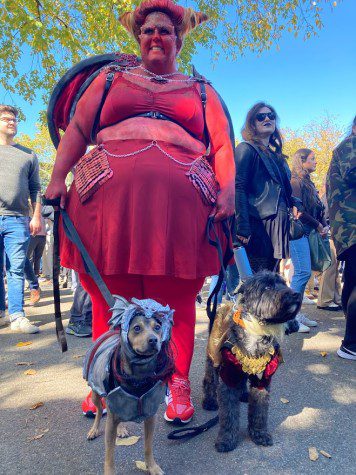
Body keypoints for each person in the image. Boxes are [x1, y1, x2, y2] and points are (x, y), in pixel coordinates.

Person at [45, 0, 235, 423]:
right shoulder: (111, 80)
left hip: (182, 211)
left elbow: (221, 144)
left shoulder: (201, 90)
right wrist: (57, 178)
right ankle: (104, 382)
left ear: (178, 40)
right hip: (104, 206)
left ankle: (176, 383)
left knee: (175, 299)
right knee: (109, 299)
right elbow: (77, 129)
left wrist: (228, 192)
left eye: (165, 31)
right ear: (138, 36)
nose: (155, 36)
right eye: (148, 30)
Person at [235, 102, 298, 272]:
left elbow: (283, 190)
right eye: (261, 116)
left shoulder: (277, 157)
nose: (267, 118)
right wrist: (242, 226)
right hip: (257, 224)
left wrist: (294, 202)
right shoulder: (245, 149)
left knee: (271, 275)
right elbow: (238, 187)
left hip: (278, 223)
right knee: (257, 281)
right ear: (252, 123)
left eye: (271, 115)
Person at [0, 105, 41, 333]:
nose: (11, 122)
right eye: (6, 118)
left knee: (16, 268)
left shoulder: (28, 155)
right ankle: (1, 313)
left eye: (14, 119)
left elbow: (36, 188)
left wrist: (36, 216)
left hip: (18, 219)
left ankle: (17, 315)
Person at [327, 116, 356, 361]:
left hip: (348, 226)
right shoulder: (350, 144)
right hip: (351, 226)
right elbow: (352, 173)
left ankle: (351, 336)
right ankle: (351, 343)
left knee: (352, 279)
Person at [289, 149, 328, 331]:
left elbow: (314, 209)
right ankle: (290, 318)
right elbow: (300, 211)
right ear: (302, 161)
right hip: (297, 233)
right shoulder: (295, 182)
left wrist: (321, 223)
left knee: (304, 273)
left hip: (307, 232)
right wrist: (318, 225)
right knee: (302, 273)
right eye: (312, 159)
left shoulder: (307, 183)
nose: (316, 162)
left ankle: (295, 314)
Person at [317, 184, 342, 311]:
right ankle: (325, 300)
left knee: (334, 268)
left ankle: (336, 298)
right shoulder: (331, 193)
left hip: (333, 233)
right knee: (330, 267)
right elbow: (325, 214)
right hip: (330, 233)